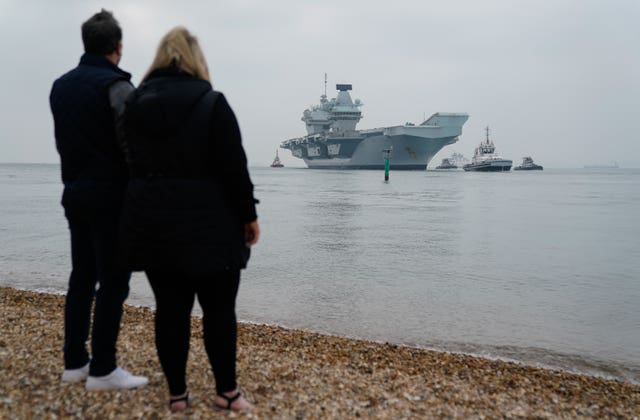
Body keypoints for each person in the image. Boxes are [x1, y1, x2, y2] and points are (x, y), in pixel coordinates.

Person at [119, 27, 259, 412]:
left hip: (153, 224)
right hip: (212, 226)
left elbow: (128, 162)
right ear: (196, 58)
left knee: (170, 310)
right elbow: (235, 167)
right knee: (218, 311)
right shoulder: (212, 103)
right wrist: (249, 216)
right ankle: (226, 392)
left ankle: (177, 395)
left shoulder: (134, 104)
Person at [49, 9, 148, 390]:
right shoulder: (118, 88)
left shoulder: (60, 86)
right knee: (113, 281)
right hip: (112, 198)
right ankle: (104, 368)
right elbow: (133, 149)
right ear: (118, 47)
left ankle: (74, 361)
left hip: (74, 192)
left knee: (81, 277)